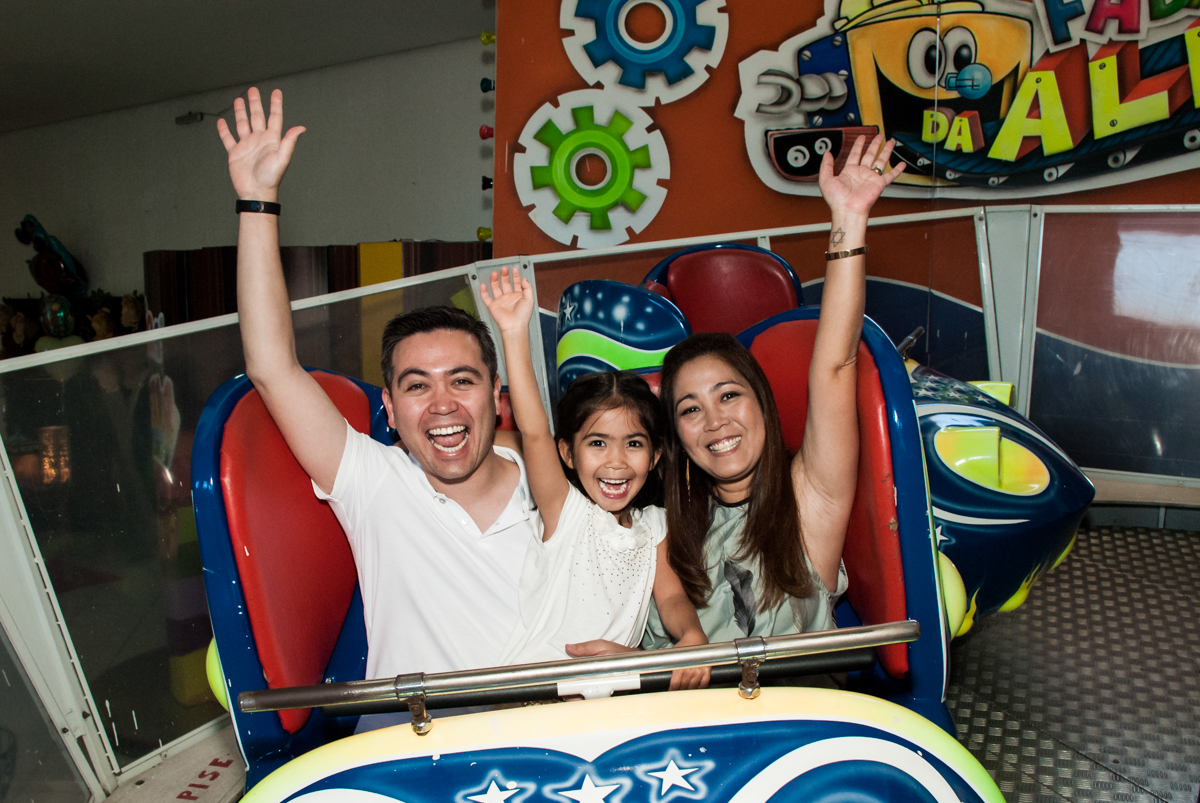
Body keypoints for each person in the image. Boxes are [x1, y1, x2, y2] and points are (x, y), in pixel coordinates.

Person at [216, 88, 539, 695]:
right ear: (388, 408)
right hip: (411, 744)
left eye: (461, 380)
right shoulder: (374, 480)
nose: (442, 404)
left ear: (497, 395)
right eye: (417, 386)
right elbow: (272, 366)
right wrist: (257, 201)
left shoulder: (548, 477)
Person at [568, 135, 904, 657]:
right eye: (690, 409)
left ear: (761, 402)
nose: (714, 421)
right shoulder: (661, 523)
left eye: (728, 396)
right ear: (674, 435)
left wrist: (849, 218)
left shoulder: (807, 500)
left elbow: (836, 365)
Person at [479, 269, 709, 690]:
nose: (616, 462)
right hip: (535, 691)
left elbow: (672, 596)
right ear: (567, 452)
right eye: (598, 443)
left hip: (613, 695)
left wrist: (691, 635)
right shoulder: (566, 510)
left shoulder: (655, 525)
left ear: (656, 454)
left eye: (634, 444)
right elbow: (532, 431)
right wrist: (514, 332)